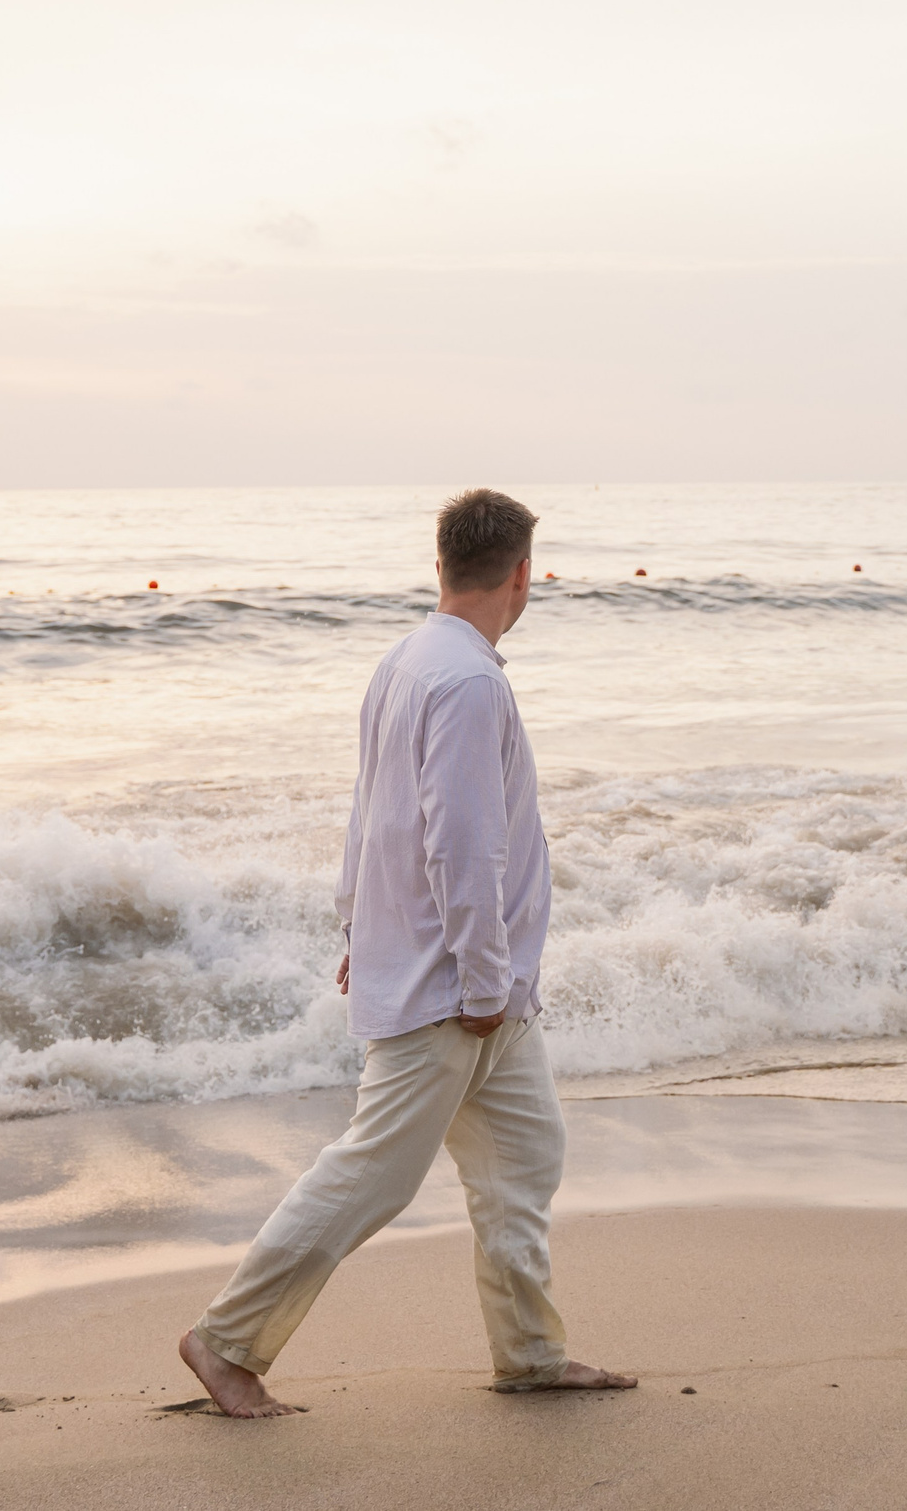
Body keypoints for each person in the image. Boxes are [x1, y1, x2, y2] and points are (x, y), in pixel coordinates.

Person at [178, 488, 636, 1416]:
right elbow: (461, 843)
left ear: (440, 567)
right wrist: (476, 979)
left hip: (483, 986)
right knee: (373, 1171)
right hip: (458, 985)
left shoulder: (406, 660)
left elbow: (369, 809)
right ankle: (225, 1342)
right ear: (522, 574)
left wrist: (360, 924)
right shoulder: (468, 681)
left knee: (523, 1157)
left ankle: (532, 1354)